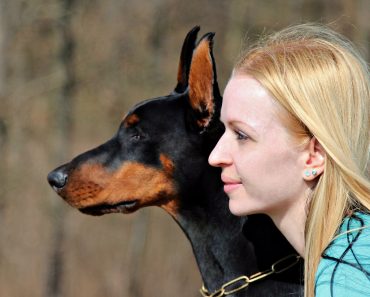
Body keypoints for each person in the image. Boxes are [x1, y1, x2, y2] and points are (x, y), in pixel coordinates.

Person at [208, 23, 370, 297]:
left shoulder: (344, 278)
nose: (215, 156)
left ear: (314, 156)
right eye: (223, 130)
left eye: (242, 135)